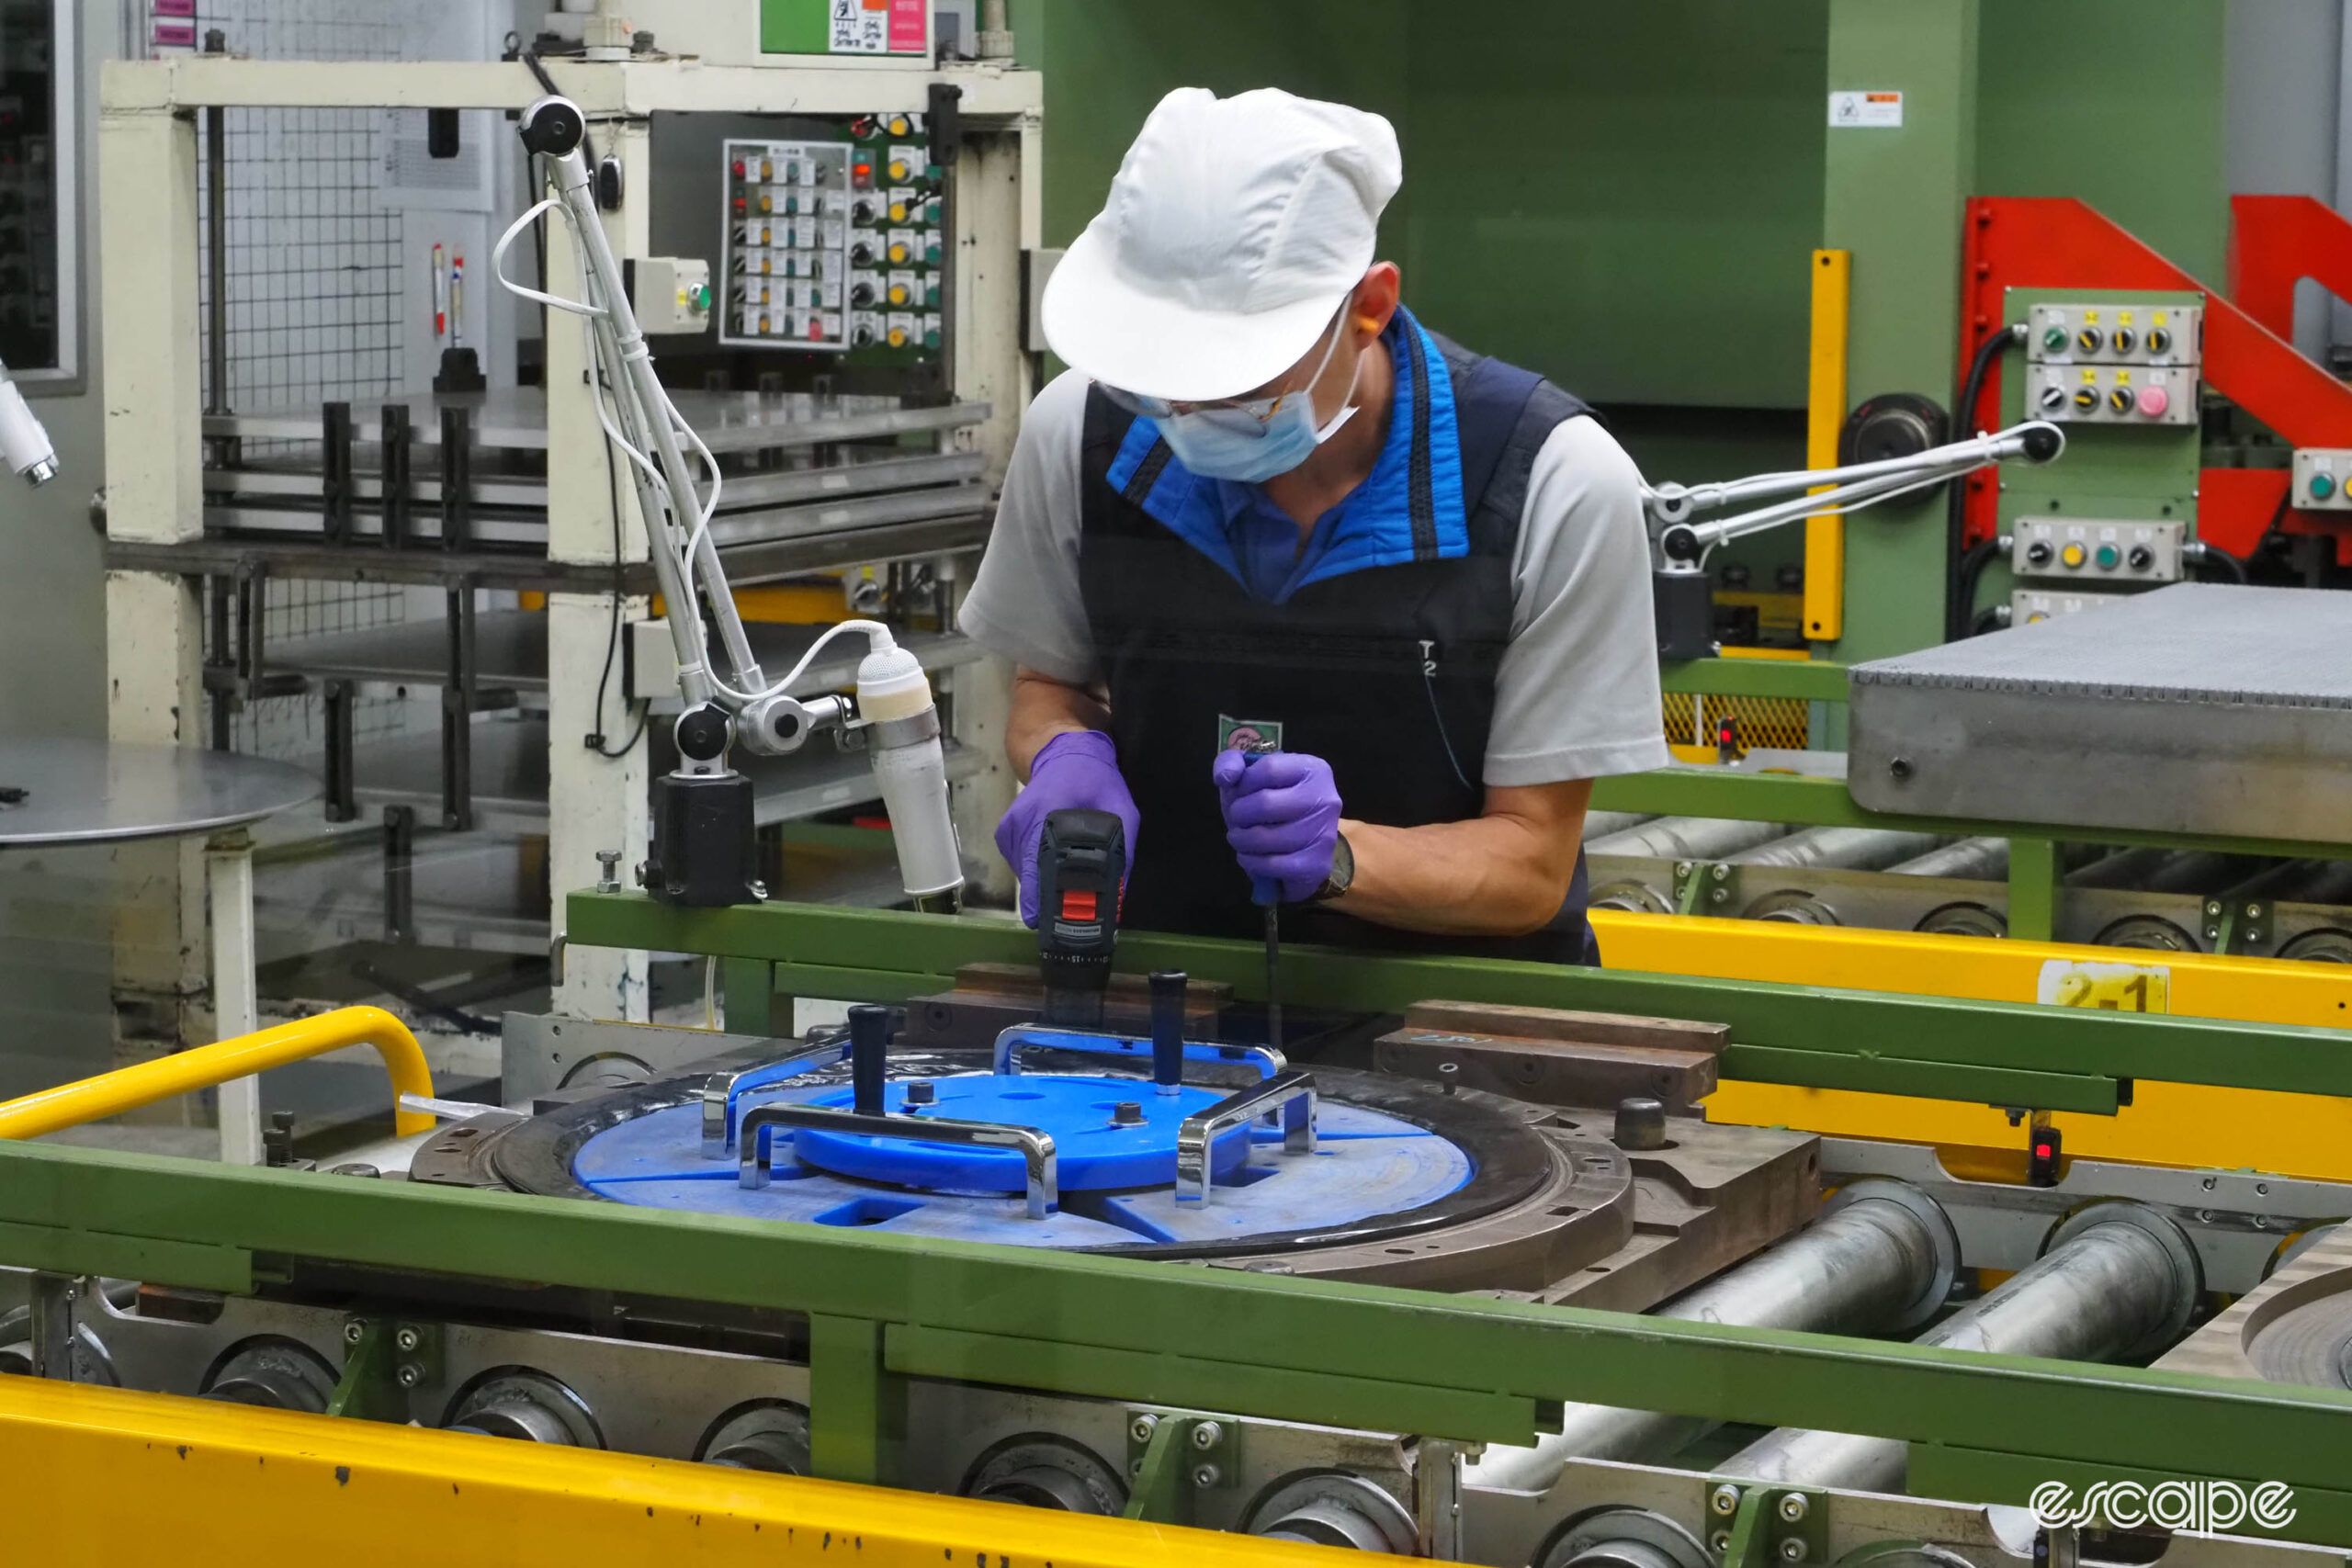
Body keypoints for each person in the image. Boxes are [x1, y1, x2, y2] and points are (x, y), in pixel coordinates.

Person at [960, 86, 1669, 964]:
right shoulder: (1079, 433)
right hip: (1160, 1003)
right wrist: (1067, 757)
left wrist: (1342, 858)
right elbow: (1049, 685)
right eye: (1161, 377)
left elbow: (1531, 859)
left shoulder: (1553, 483)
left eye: (1237, 379)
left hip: (1464, 1035)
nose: (1186, 410)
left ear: (1368, 308)